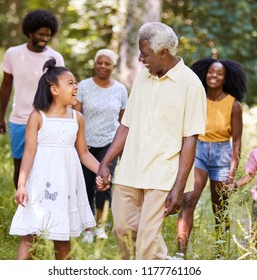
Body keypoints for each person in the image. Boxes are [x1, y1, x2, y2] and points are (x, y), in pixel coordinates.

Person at [96, 22, 207, 260]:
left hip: (162, 174)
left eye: (145, 54)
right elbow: (126, 124)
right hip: (130, 169)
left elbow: (190, 139)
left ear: (163, 52)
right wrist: (106, 162)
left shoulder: (191, 84)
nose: (140, 59)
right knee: (123, 230)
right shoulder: (143, 78)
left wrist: (179, 187)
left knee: (147, 243)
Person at [9, 58, 101, 260]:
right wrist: (22, 184)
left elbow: (84, 153)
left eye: (76, 83)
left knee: (62, 236)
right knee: (30, 233)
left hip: (67, 184)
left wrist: (102, 170)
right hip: (41, 183)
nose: (76, 86)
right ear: (54, 89)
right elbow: (29, 153)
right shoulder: (38, 117)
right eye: (70, 83)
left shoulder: (77, 118)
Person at [170, 58, 247, 259]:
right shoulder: (197, 97)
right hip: (198, 151)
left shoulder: (234, 105)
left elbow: (237, 142)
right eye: (211, 72)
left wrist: (232, 172)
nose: (214, 76)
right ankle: (180, 253)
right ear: (205, 74)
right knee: (188, 200)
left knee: (220, 207)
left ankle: (221, 254)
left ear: (225, 78)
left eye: (219, 74)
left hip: (222, 154)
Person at [0, 9, 65, 190]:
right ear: (30, 32)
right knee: (19, 167)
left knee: (45, 167)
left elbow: (61, 90)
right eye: (41, 34)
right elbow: (5, 86)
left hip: (47, 120)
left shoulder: (55, 58)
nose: (45, 38)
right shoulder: (13, 54)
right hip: (19, 120)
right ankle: (22, 206)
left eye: (48, 35)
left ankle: (41, 206)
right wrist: (1, 116)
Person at [73, 49, 128, 243]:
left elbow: (124, 122)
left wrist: (122, 149)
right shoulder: (84, 87)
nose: (103, 66)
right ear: (95, 64)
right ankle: (87, 228)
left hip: (109, 144)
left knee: (104, 185)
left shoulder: (120, 90)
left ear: (113, 67)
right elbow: (75, 115)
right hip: (85, 144)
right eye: (100, 62)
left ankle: (100, 226)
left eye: (107, 63)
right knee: (86, 186)